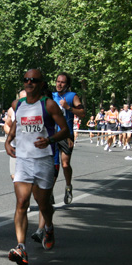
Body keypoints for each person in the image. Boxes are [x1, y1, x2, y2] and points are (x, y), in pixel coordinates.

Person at [4, 69, 72, 265]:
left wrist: (50, 139)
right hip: (23, 161)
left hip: (43, 160)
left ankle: (49, 227)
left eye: (33, 80)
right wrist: (8, 141)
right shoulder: (18, 104)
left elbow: (65, 130)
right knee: (21, 203)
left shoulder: (48, 105)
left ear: (41, 84)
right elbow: (17, 123)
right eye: (26, 80)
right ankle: (21, 247)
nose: (29, 83)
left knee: (43, 204)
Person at [52, 72, 85, 203]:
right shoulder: (51, 96)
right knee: (53, 165)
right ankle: (50, 193)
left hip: (66, 135)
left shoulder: (72, 96)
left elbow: (82, 113)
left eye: (62, 82)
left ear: (67, 84)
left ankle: (68, 186)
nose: (59, 84)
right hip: (53, 135)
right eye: (58, 81)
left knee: (65, 164)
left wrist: (68, 107)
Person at [3, 90, 27, 180]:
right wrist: (12, 135)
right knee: (14, 176)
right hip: (15, 147)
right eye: (22, 99)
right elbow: (6, 125)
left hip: (29, 148)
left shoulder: (34, 110)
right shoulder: (11, 110)